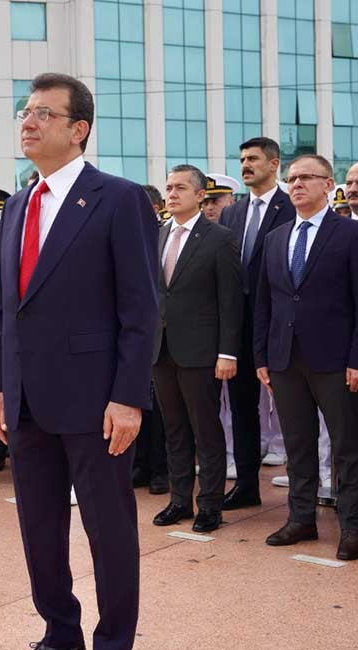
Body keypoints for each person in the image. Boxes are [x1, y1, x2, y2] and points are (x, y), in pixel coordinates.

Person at [0, 73, 158, 650]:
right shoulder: (16, 204)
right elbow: (9, 307)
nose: (28, 122)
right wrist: (0, 385)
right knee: (38, 527)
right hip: (27, 398)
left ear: (78, 128)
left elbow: (142, 309)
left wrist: (128, 396)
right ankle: (60, 639)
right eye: (25, 112)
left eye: (43, 114)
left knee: (109, 531)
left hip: (95, 401)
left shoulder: (116, 199)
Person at [254, 154, 358, 561]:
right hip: (285, 359)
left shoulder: (351, 234)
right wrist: (262, 356)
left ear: (329, 185)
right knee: (297, 443)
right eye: (292, 178)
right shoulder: (276, 238)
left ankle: (354, 526)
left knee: (347, 445)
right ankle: (301, 518)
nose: (297, 184)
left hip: (337, 359)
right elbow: (265, 304)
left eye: (307, 177)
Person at [150, 165, 242, 533]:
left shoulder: (219, 238)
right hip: (161, 349)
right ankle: (179, 500)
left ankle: (210, 506)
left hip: (203, 352)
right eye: (169, 187)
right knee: (173, 429)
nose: (172, 194)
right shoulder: (156, 234)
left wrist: (227, 352)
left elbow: (231, 301)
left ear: (200, 195)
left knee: (205, 429)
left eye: (181, 188)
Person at [218, 137, 295, 510]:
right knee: (242, 408)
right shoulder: (233, 212)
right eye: (242, 159)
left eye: (253, 159)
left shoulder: (291, 206)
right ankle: (247, 485)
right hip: (239, 328)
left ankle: (305, 488)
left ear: (274, 163)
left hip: (280, 325)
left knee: (292, 408)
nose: (246, 165)